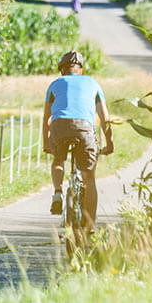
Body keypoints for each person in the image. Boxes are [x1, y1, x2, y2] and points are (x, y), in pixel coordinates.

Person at [44, 51, 113, 231]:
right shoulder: (93, 84)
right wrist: (109, 143)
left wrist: (46, 143)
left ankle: (58, 193)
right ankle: (90, 225)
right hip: (84, 129)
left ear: (62, 70)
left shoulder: (55, 84)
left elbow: (46, 118)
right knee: (89, 178)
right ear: (80, 70)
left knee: (58, 160)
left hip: (59, 126)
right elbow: (105, 118)